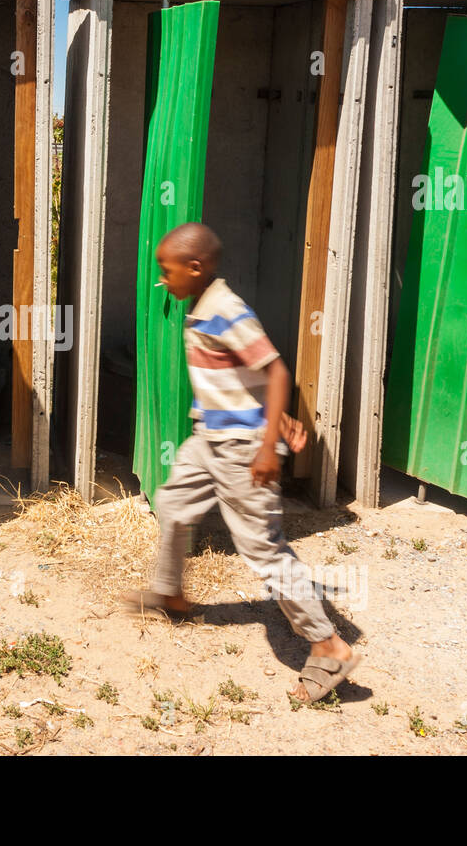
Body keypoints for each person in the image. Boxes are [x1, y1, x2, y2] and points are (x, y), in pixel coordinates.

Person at [122, 222, 361, 703]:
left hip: (241, 450)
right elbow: (244, 377)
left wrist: (267, 440)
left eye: (165, 273)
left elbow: (275, 370)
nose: (161, 282)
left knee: (263, 550)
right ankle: (170, 595)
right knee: (171, 505)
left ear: (195, 267)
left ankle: (329, 645)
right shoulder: (202, 306)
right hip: (209, 438)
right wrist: (276, 417)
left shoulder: (226, 311)